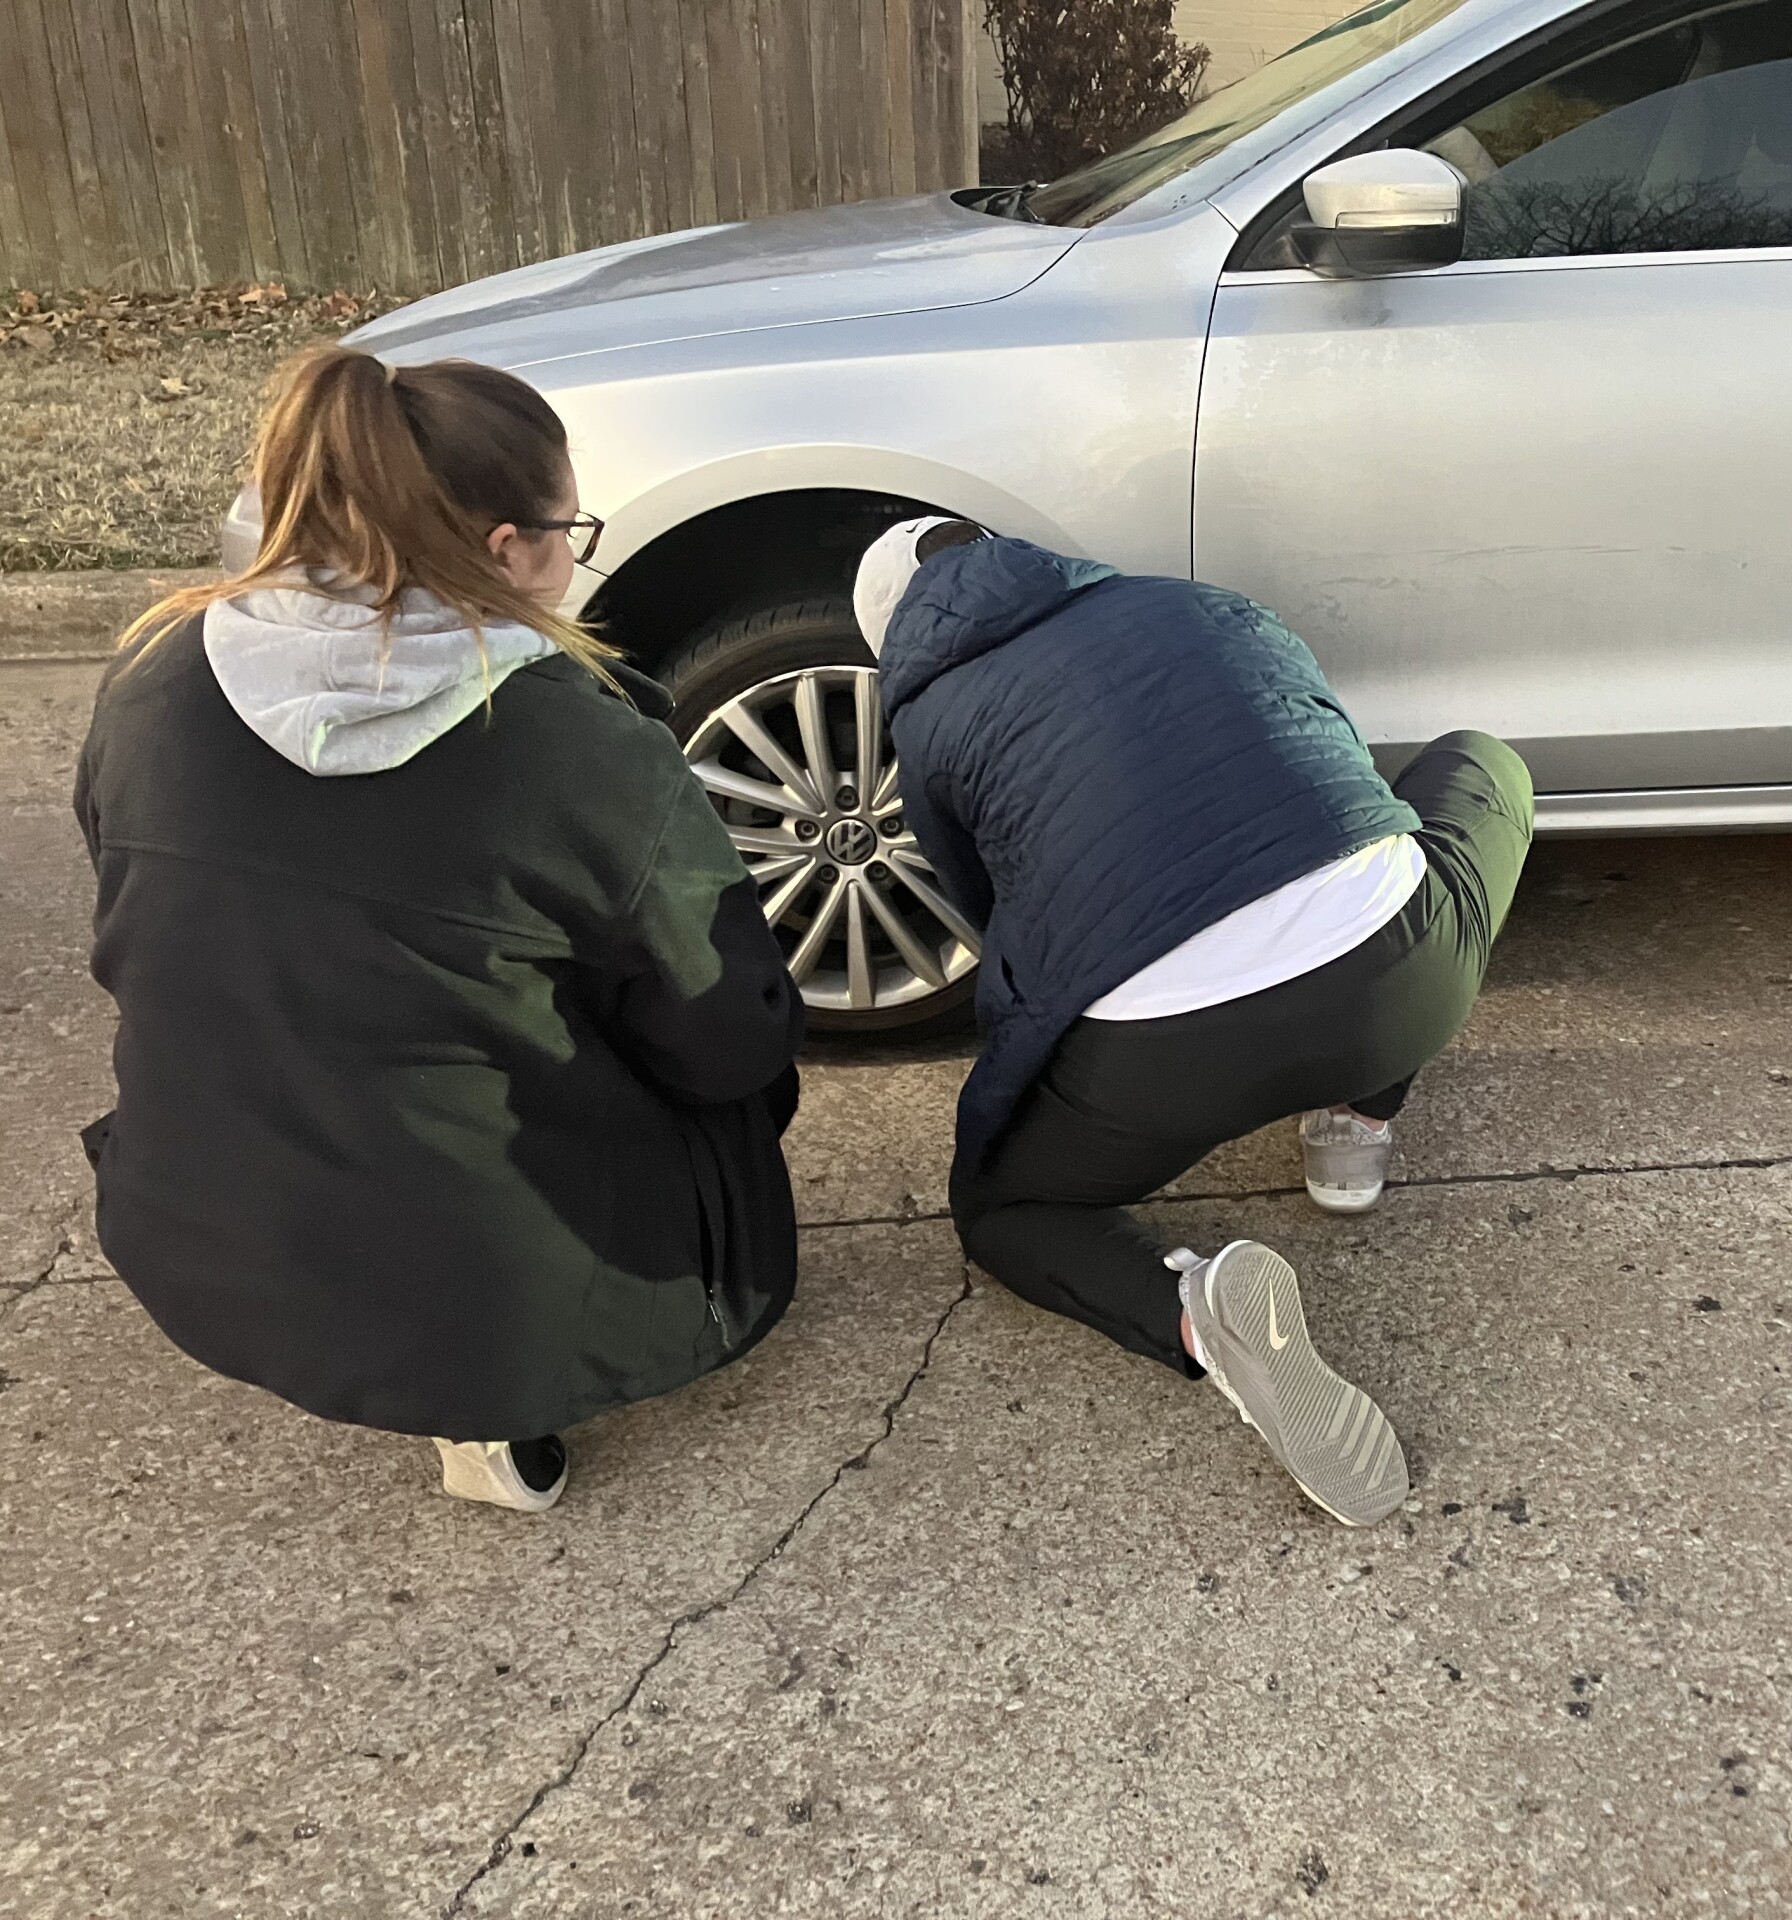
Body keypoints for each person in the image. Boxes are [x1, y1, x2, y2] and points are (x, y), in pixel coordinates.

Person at [76, 346, 805, 1513]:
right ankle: (492, 1389)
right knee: (735, 1081)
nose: (573, 556)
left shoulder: (157, 666)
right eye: (572, 529)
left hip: (199, 1225)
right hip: (482, 1283)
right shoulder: (573, 743)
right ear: (507, 548)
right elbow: (727, 1034)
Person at [859, 517, 1533, 1528]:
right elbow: (1329, 760)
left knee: (1005, 1212)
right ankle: (1357, 1121)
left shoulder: (932, 725)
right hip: (1392, 983)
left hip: (1160, 1057)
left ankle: (1190, 1312)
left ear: (894, 640)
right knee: (1481, 765)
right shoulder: (1200, 602)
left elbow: (992, 913)